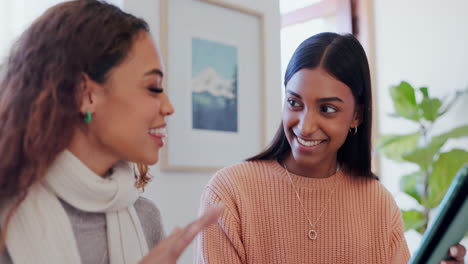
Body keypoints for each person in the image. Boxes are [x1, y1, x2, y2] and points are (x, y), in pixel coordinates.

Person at [195, 32, 466, 263]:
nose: (306, 126)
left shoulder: (378, 205)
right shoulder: (229, 193)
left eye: (327, 109)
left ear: (357, 116)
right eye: (294, 103)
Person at [0, 1, 222, 263]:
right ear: (87, 95)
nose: (169, 107)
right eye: (153, 87)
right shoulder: (7, 217)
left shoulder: (145, 218)